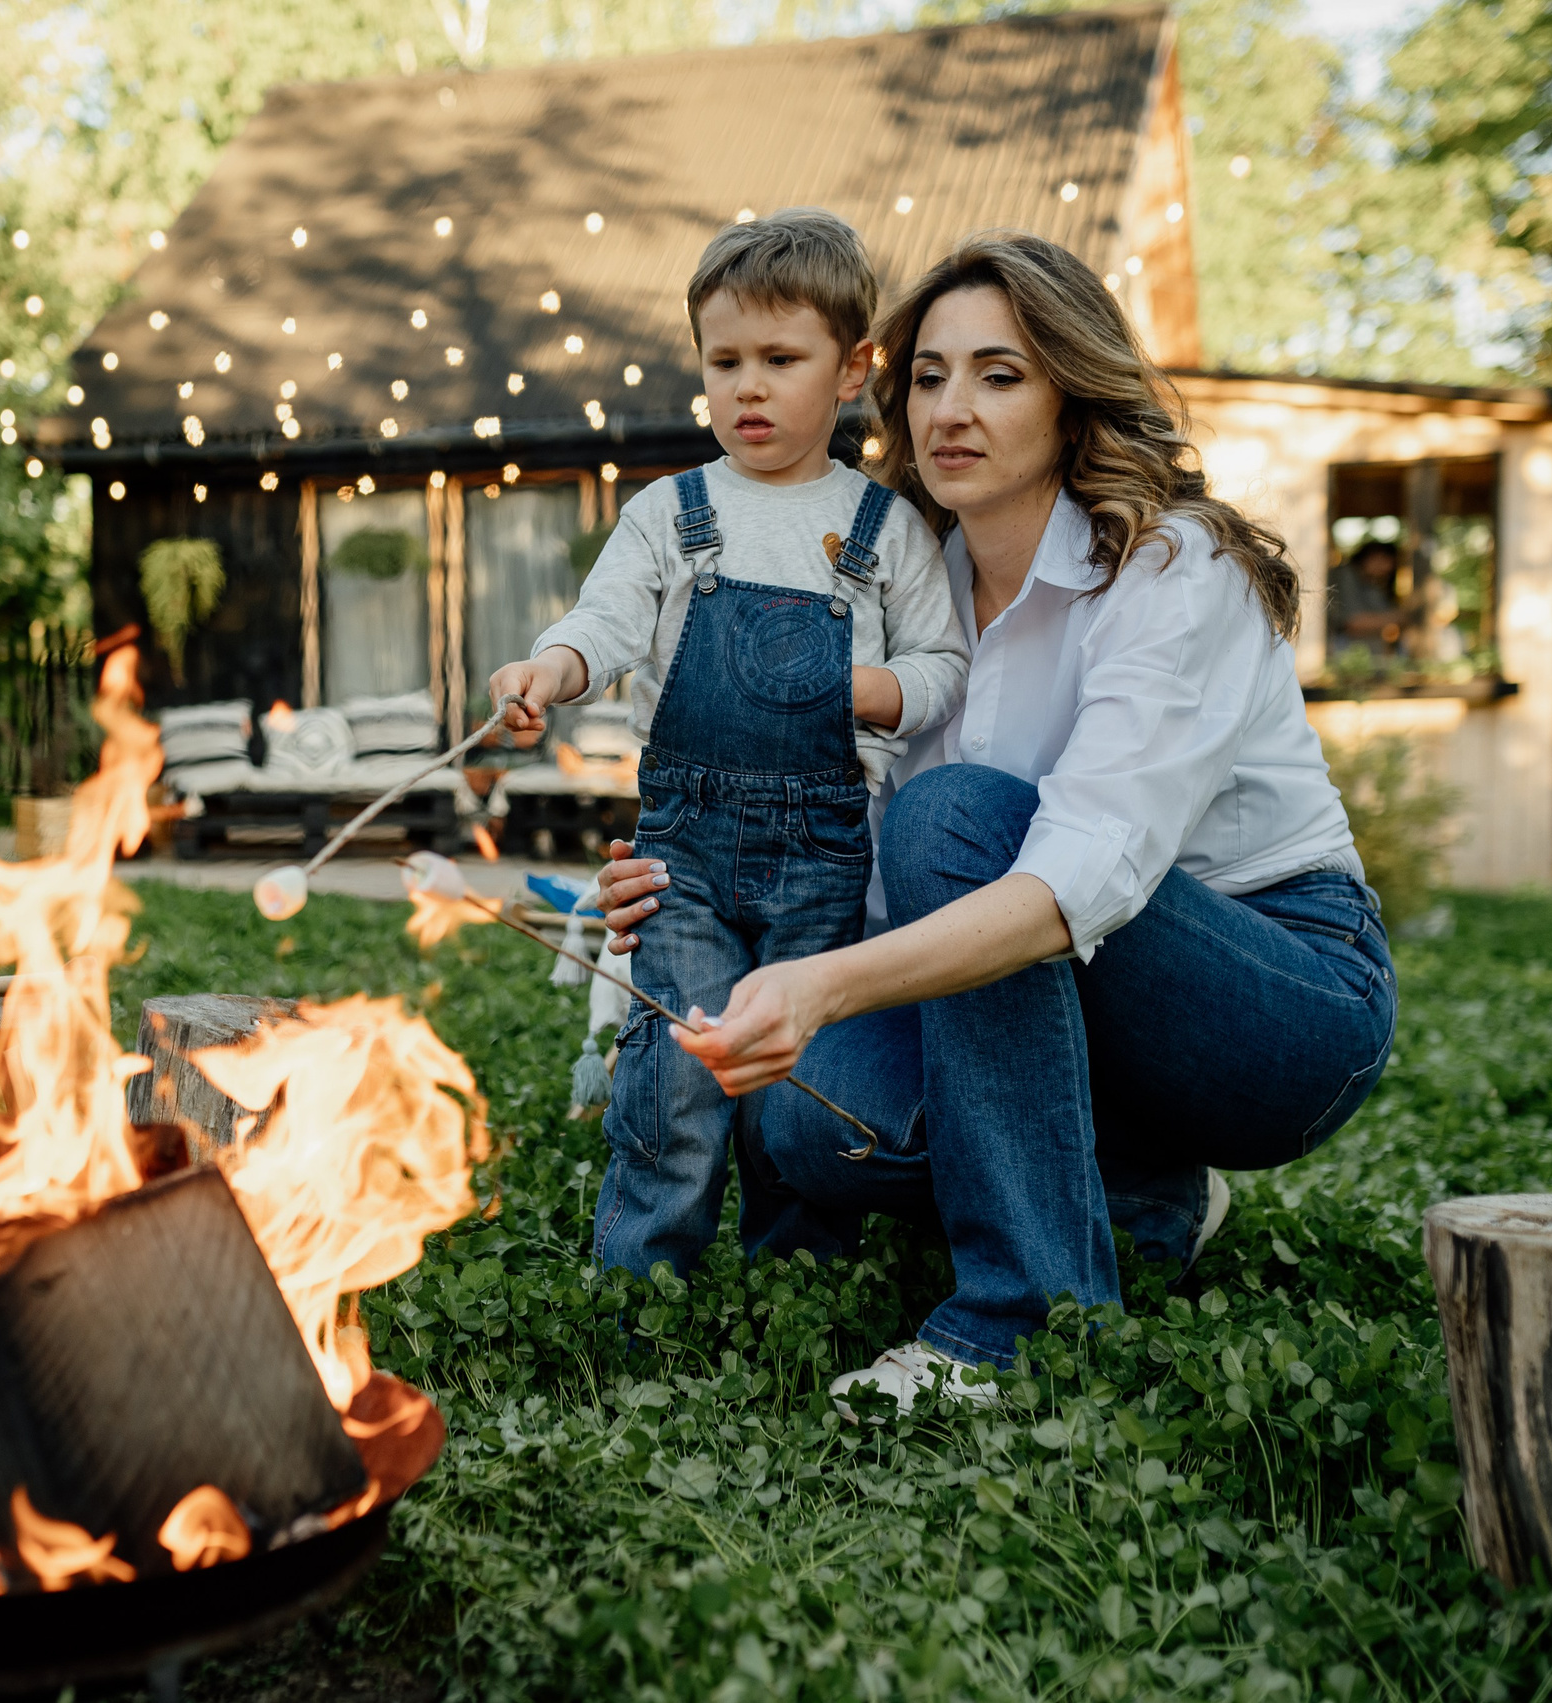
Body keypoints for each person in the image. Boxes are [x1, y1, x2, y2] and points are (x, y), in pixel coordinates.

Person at [583, 232, 1397, 1412]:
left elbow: (1074, 882)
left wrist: (820, 988)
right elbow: (846, 847)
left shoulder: (1174, 568)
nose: (950, 409)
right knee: (805, 1121)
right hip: (1063, 1001)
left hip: (1272, 996)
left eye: (999, 375)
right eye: (929, 375)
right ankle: (1138, 1190)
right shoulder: (900, 581)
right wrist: (683, 876)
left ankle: (1018, 1320)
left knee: (955, 819)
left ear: (1073, 394)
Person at [484, 208, 966, 1280]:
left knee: (790, 1066)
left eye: (780, 360)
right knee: (676, 1064)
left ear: (851, 369)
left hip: (824, 849)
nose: (747, 387)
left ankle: (793, 1275)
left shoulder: (887, 528)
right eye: (724, 360)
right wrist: (548, 669)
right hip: (684, 849)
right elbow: (604, 623)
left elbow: (944, 670)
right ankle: (641, 1275)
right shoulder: (670, 513)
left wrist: (864, 687)